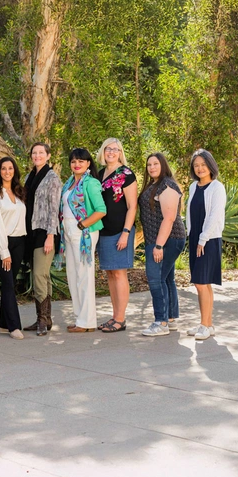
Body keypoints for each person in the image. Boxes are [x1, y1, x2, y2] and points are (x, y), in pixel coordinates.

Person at [138, 153, 187, 337]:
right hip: (158, 240)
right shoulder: (154, 185)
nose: (151, 167)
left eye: (155, 163)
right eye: (149, 164)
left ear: (163, 164)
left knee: (155, 279)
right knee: (166, 279)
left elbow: (169, 218)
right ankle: (171, 319)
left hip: (166, 240)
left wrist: (158, 246)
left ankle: (161, 322)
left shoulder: (167, 185)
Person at [58, 148, 106, 332]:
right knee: (72, 276)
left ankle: (88, 322)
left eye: (80, 161)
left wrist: (82, 225)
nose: (76, 164)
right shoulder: (69, 183)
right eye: (73, 161)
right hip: (68, 233)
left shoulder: (91, 183)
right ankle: (80, 319)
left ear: (88, 163)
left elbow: (101, 210)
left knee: (84, 277)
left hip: (83, 233)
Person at [95, 138, 137, 332]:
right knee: (111, 273)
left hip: (121, 232)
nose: (111, 152)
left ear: (120, 153)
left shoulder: (127, 174)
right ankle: (114, 316)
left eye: (115, 149)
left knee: (120, 273)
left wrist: (126, 233)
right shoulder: (100, 174)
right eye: (107, 149)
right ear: (103, 152)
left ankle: (120, 319)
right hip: (104, 231)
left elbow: (132, 206)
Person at [185, 149, 226, 340]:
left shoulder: (217, 187)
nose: (200, 168)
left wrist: (202, 239)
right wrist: (191, 236)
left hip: (208, 239)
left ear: (210, 165)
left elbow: (214, 216)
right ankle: (207, 325)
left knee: (202, 283)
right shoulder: (194, 187)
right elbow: (191, 213)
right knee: (201, 283)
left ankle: (205, 324)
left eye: (203, 164)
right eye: (196, 165)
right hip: (195, 238)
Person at [24, 142, 62, 336]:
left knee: (39, 275)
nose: (37, 155)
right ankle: (45, 319)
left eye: (41, 152)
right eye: (34, 152)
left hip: (45, 232)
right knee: (42, 276)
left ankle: (42, 319)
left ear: (48, 156)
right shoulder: (29, 176)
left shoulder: (52, 178)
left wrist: (50, 236)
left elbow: (55, 208)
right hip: (30, 232)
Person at [0, 157, 27, 340]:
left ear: (14, 171)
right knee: (8, 284)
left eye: (10, 168)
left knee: (10, 283)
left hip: (19, 242)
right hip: (3, 243)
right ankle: (14, 326)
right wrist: (4, 251)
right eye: (3, 168)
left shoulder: (19, 192)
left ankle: (3, 324)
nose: (7, 171)